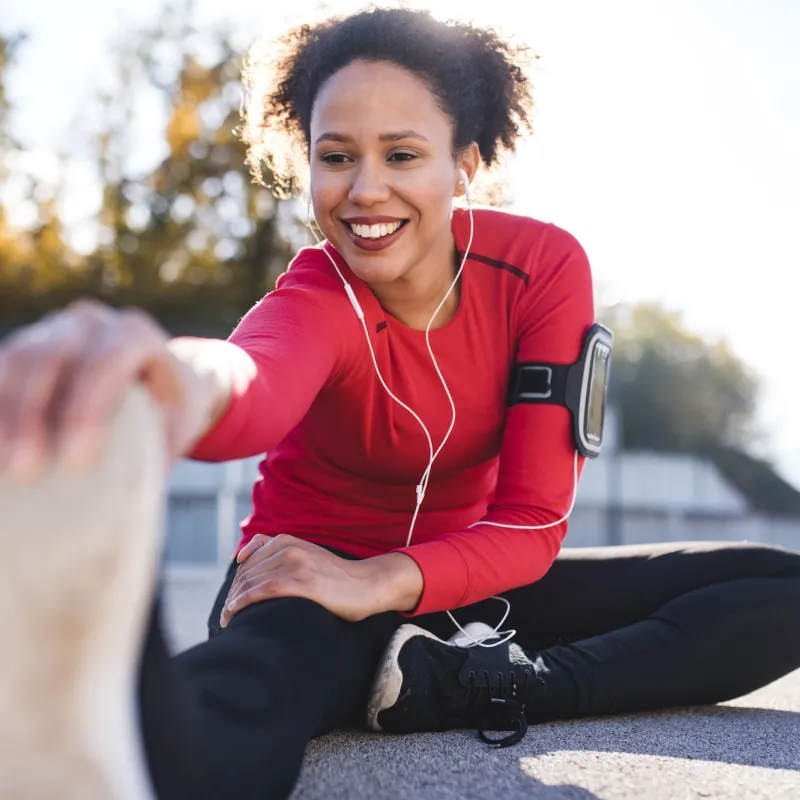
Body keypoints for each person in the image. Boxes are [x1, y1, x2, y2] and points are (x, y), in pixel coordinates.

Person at [0, 7, 798, 800]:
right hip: (308, 582)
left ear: (466, 166)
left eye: (403, 154)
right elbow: (252, 380)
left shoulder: (541, 270)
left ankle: (474, 685)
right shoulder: (319, 294)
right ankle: (92, 729)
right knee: (243, 696)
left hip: (463, 585)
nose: (365, 190)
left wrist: (384, 580)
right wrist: (166, 379)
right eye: (336, 155)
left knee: (778, 592)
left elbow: (530, 523)